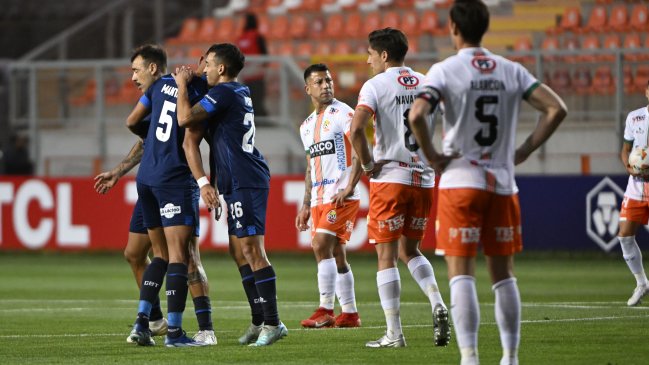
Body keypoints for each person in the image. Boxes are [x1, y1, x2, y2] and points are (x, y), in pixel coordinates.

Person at [408, 1, 567, 364]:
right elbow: (556, 108)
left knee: (461, 273)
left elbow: (418, 114)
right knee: (503, 274)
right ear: (486, 26)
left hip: (460, 182)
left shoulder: (445, 70)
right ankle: (510, 358)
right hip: (502, 182)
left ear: (453, 28)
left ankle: (470, 358)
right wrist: (524, 149)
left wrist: (433, 155)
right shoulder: (511, 70)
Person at [173, 43, 287, 346]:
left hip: (246, 178)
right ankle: (259, 318)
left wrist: (184, 84)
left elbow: (184, 118)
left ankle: (273, 323)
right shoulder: (237, 91)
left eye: (208, 63)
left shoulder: (223, 92)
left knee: (251, 249)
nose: (205, 68)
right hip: (237, 179)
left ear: (221, 69)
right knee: (238, 252)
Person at [349, 28, 450, 348]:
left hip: (390, 178)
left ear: (383, 55)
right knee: (411, 250)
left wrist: (367, 166)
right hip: (423, 179)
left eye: (369, 54)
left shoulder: (375, 85)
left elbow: (355, 130)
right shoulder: (425, 82)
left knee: (386, 256)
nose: (367, 60)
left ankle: (394, 333)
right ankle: (437, 302)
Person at [94, 122, 216, 345]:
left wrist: (210, 183)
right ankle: (156, 320)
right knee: (134, 253)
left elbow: (208, 140)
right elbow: (146, 142)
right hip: (151, 183)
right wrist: (118, 171)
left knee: (186, 256)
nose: (134, 83)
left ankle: (205, 328)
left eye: (139, 82)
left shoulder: (187, 97)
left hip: (178, 183)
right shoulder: (157, 99)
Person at [124, 44, 210, 347]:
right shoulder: (200, 91)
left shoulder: (159, 86)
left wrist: (153, 141)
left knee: (159, 255)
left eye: (136, 70)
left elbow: (132, 121)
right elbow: (188, 127)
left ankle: (142, 324)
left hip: (145, 178)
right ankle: (174, 332)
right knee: (179, 256)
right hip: (173, 179)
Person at [296, 63, 362, 329]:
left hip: (340, 196)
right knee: (337, 255)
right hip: (318, 199)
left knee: (320, 245)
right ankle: (350, 314)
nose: (326, 86)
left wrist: (350, 186)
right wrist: (304, 203)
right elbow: (310, 165)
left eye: (328, 81)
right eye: (319, 82)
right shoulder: (306, 126)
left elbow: (359, 150)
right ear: (307, 88)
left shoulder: (344, 112)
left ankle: (325, 309)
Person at [617, 81, 649, 307]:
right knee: (625, 236)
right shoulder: (634, 117)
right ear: (647, 92)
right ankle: (642, 283)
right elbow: (626, 149)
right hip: (636, 185)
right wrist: (628, 166)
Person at [236, 12, 268, 118]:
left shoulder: (240, 39)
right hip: (257, 74)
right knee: (258, 101)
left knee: (248, 101)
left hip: (244, 75)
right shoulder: (258, 37)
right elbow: (265, 55)